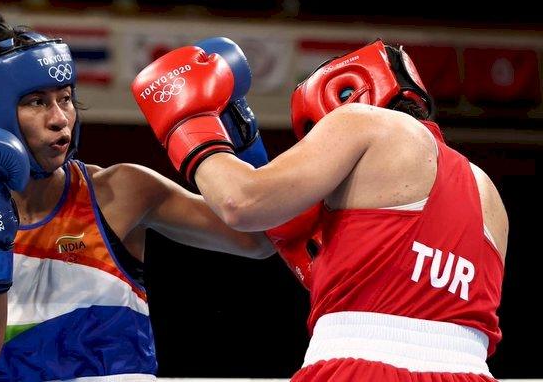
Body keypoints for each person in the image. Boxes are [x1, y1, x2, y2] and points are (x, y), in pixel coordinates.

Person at [0, 13, 274, 382]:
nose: (60, 119)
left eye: (66, 98)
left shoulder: (119, 192)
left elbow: (257, 238)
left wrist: (242, 134)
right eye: (37, 103)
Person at [132, 39, 508, 381]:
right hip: (470, 372)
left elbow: (240, 201)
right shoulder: (487, 191)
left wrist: (188, 122)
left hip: (358, 367)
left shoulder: (360, 121)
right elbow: (381, 286)